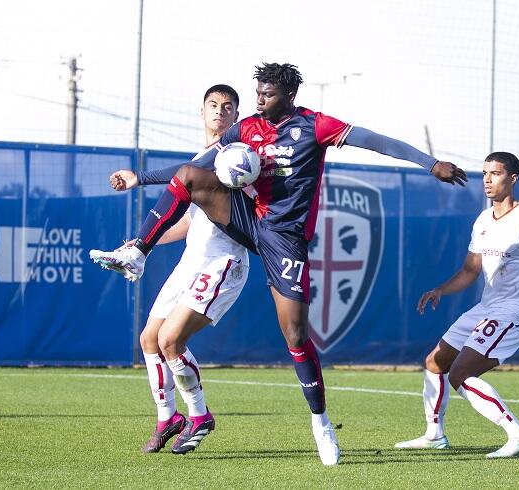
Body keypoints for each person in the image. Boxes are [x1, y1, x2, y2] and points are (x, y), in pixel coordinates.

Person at [90, 62, 468, 466]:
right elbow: (199, 164)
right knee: (188, 174)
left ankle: (321, 423)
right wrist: (140, 177)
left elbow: (373, 140)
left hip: (284, 237)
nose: (258, 100)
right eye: (257, 93)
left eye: (266, 94)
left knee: (295, 335)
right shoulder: (247, 128)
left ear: (288, 96)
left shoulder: (314, 126)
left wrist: (430, 164)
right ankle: (137, 253)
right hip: (245, 217)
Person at [97, 84, 249, 455]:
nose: (219, 112)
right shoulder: (203, 155)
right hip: (192, 261)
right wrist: (139, 242)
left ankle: (199, 415)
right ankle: (168, 418)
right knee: (150, 339)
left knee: (170, 341)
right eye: (212, 105)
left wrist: (140, 176)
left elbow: (186, 173)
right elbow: (187, 224)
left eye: (228, 107)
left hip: (223, 261)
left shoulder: (234, 154)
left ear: (237, 117)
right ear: (201, 112)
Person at [394, 151, 519, 458]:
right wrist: (440, 290)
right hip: (487, 307)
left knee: (461, 374)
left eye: (496, 173)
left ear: (513, 179)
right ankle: (434, 435)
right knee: (435, 362)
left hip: (514, 313)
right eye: (484, 174)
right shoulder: (482, 220)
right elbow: (470, 270)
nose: (488, 180)